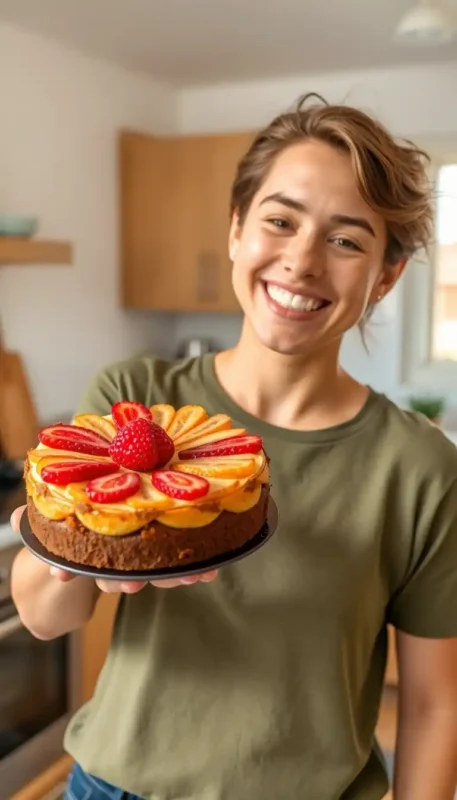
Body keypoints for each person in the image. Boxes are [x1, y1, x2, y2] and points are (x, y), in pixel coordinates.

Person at [10, 93, 457, 800]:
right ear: (235, 230)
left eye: (345, 240)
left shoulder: (420, 469)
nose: (301, 261)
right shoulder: (135, 399)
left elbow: (434, 706)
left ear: (386, 275)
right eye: (279, 222)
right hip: (113, 787)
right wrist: (74, 557)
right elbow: (41, 617)